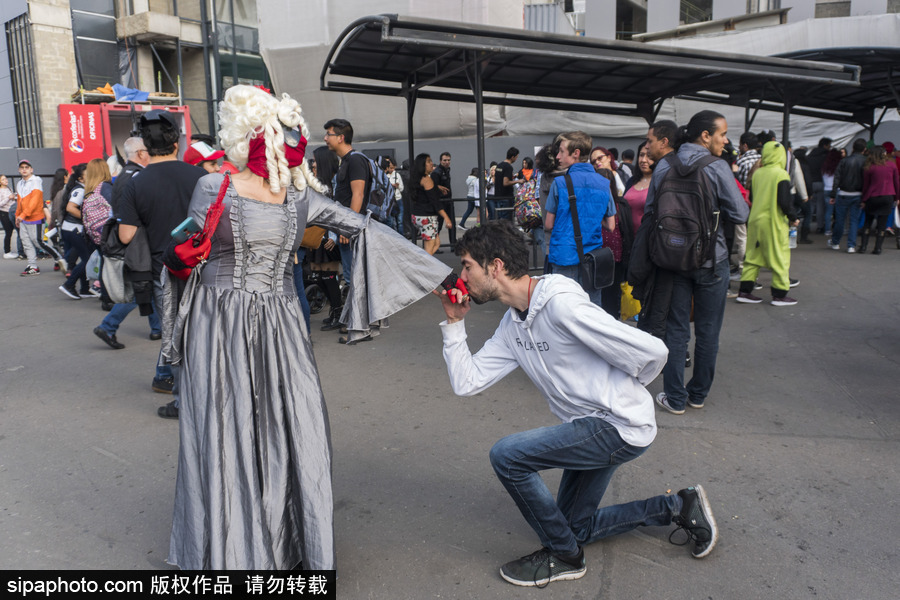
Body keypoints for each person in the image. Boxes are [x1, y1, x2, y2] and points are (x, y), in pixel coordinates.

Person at [163, 84, 449, 571]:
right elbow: (366, 229)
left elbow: (183, 257)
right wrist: (445, 277)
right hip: (280, 319)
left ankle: (233, 548)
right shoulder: (300, 196)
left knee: (225, 422)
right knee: (288, 418)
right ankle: (289, 542)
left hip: (221, 319)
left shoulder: (216, 187)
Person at [434, 221, 718, 588]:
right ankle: (679, 506)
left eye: (468, 265)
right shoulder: (512, 326)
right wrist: (454, 324)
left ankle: (564, 556)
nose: (463, 276)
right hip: (588, 428)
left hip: (617, 427)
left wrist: (623, 397)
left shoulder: (561, 306)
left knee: (507, 456)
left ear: (496, 266)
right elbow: (467, 381)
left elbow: (652, 350)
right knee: (574, 527)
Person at [643, 111, 749, 415]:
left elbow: (651, 212)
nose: (725, 140)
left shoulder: (664, 165)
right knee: (708, 331)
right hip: (711, 262)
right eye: (722, 134)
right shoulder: (716, 167)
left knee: (676, 331)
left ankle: (674, 398)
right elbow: (740, 214)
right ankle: (698, 393)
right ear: (705, 135)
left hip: (672, 260)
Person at [117, 109, 206, 416]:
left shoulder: (136, 184)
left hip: (164, 270)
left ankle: (183, 402)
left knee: (175, 335)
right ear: (176, 144)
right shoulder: (202, 176)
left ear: (145, 146)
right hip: (205, 266)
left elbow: (126, 235)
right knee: (207, 330)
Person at [544, 131, 615, 306]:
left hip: (563, 256)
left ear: (575, 153)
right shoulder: (603, 183)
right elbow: (611, 225)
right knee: (591, 310)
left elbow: (548, 224)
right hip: (592, 258)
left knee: (563, 308)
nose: (558, 156)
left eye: (561, 151)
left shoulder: (560, 183)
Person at [735, 141, 799, 306]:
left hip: (755, 221)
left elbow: (755, 198)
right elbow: (784, 202)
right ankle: (779, 294)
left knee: (752, 257)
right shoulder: (781, 174)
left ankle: (745, 291)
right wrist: (793, 217)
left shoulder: (758, 173)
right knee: (779, 257)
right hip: (774, 222)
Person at [58, 158, 112, 300]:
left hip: (72, 229)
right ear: (82, 177)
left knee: (86, 257)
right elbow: (71, 208)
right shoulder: (83, 190)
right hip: (76, 229)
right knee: (88, 259)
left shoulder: (84, 189)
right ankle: (69, 284)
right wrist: (90, 217)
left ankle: (83, 288)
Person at [409, 152, 453, 255]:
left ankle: (423, 264)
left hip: (417, 216)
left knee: (436, 243)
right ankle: (422, 267)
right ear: (422, 165)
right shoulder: (427, 179)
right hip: (427, 217)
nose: (432, 163)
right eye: (428, 161)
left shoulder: (416, 178)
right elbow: (435, 201)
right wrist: (446, 217)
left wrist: (436, 187)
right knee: (429, 249)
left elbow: (423, 191)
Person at [859, 145, 900, 254]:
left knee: (868, 222)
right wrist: (897, 197)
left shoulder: (869, 167)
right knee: (882, 224)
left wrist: (863, 200)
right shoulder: (892, 165)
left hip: (872, 197)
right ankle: (878, 248)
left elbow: (866, 185)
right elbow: (897, 182)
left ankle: (863, 247)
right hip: (888, 196)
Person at [828, 138, 867, 253]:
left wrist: (833, 194)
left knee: (840, 219)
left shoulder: (844, 161)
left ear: (853, 148)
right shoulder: (865, 161)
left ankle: (835, 242)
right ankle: (851, 245)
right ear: (864, 149)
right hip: (858, 194)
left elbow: (837, 177)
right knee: (854, 220)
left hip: (844, 193)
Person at [15, 159, 48, 276]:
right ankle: (33, 266)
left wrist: (22, 215)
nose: (24, 169)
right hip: (23, 218)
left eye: (26, 167)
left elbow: (34, 202)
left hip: (35, 217)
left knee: (38, 242)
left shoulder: (36, 181)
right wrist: (17, 216)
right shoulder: (20, 183)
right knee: (26, 242)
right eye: (22, 167)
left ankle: (59, 259)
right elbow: (19, 202)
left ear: (31, 169)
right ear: (19, 170)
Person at [806, 137, 832, 234]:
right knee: (820, 206)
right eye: (829, 145)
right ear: (825, 145)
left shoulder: (810, 156)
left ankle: (806, 225)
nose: (830, 148)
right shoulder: (826, 157)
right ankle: (820, 227)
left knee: (811, 205)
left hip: (810, 183)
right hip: (821, 183)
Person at [494, 148, 523, 219]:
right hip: (506, 198)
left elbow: (497, 179)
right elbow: (505, 183)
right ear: (512, 157)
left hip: (497, 196)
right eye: (516, 157)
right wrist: (518, 181)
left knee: (499, 220)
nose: (516, 159)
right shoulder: (508, 167)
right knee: (506, 222)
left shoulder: (499, 165)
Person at [0, 175, 16, 258]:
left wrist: (14, 197)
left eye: (5, 178)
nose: (5, 180)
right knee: (8, 232)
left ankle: (9, 251)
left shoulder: (9, 188)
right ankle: (7, 252)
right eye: (3, 179)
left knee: (12, 230)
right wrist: (8, 198)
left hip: (11, 212)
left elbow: (11, 200)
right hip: (4, 213)